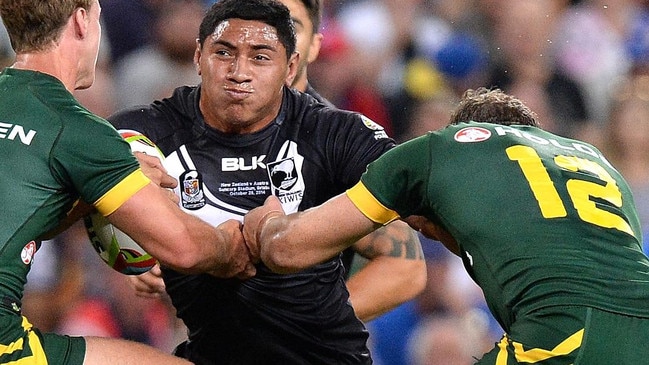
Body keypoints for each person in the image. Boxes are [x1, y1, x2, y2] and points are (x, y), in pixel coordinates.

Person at [109, 0, 424, 363]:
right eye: (224, 52)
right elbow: (62, 186)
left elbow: (411, 243)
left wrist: (303, 326)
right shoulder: (145, 134)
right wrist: (131, 235)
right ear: (198, 56)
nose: (239, 72)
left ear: (294, 62)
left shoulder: (334, 135)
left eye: (260, 56)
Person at [245, 87, 649, 364]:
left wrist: (267, 223)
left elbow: (288, 248)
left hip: (563, 331)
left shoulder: (443, 148)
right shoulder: (598, 161)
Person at [0, 1, 255, 364]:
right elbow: (185, 248)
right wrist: (242, 245)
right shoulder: (77, 130)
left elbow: (14, 213)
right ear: (82, 20)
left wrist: (87, 197)